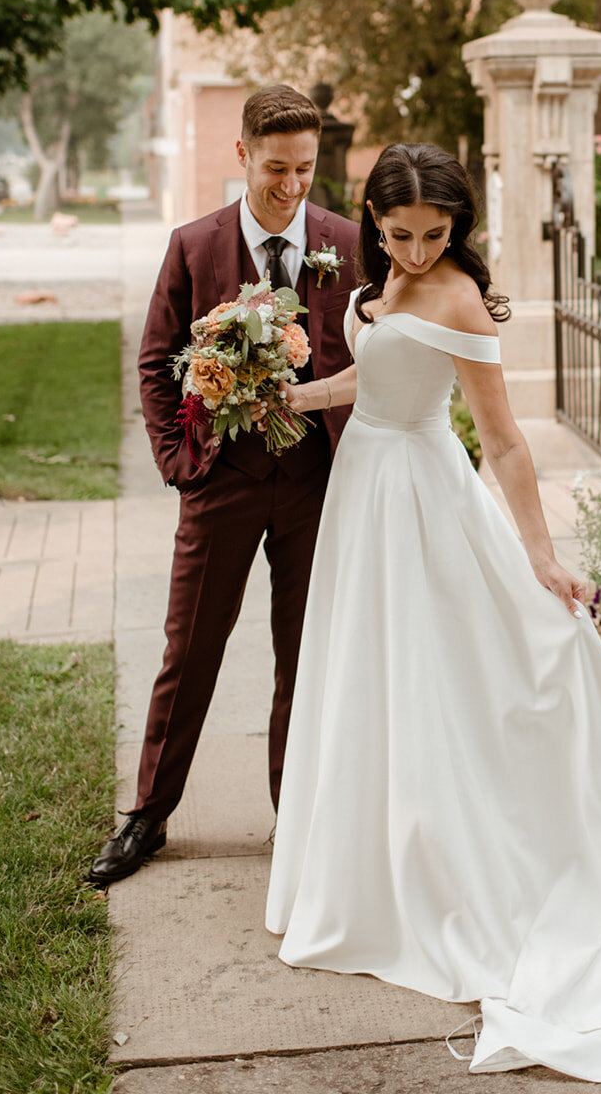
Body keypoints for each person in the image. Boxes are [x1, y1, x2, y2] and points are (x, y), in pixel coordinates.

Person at [264, 143, 601, 1083]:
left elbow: (500, 443)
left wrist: (542, 555)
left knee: (450, 682)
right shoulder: (373, 284)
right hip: (362, 495)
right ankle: (366, 862)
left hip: (425, 496)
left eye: (435, 234)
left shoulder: (461, 298)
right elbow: (371, 378)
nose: (417, 252)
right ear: (373, 225)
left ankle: (461, 862)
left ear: (459, 228)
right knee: (366, 677)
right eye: (399, 235)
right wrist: (290, 394)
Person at [88, 85, 359, 887]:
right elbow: (155, 360)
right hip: (223, 481)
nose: (290, 184)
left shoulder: (344, 240)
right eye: (276, 167)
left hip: (317, 483)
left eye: (305, 168)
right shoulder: (193, 245)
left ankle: (299, 817)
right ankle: (148, 815)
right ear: (241, 155)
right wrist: (179, 463)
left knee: (304, 657)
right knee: (189, 648)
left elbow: (391, 325)